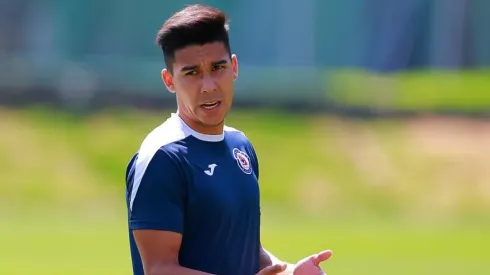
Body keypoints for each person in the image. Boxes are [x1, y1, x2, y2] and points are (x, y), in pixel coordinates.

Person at [125, 4, 333, 275]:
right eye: (192, 73)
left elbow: (244, 250)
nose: (209, 85)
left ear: (233, 67)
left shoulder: (240, 146)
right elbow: (160, 269)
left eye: (217, 67)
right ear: (169, 80)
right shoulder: (162, 158)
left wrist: (290, 271)